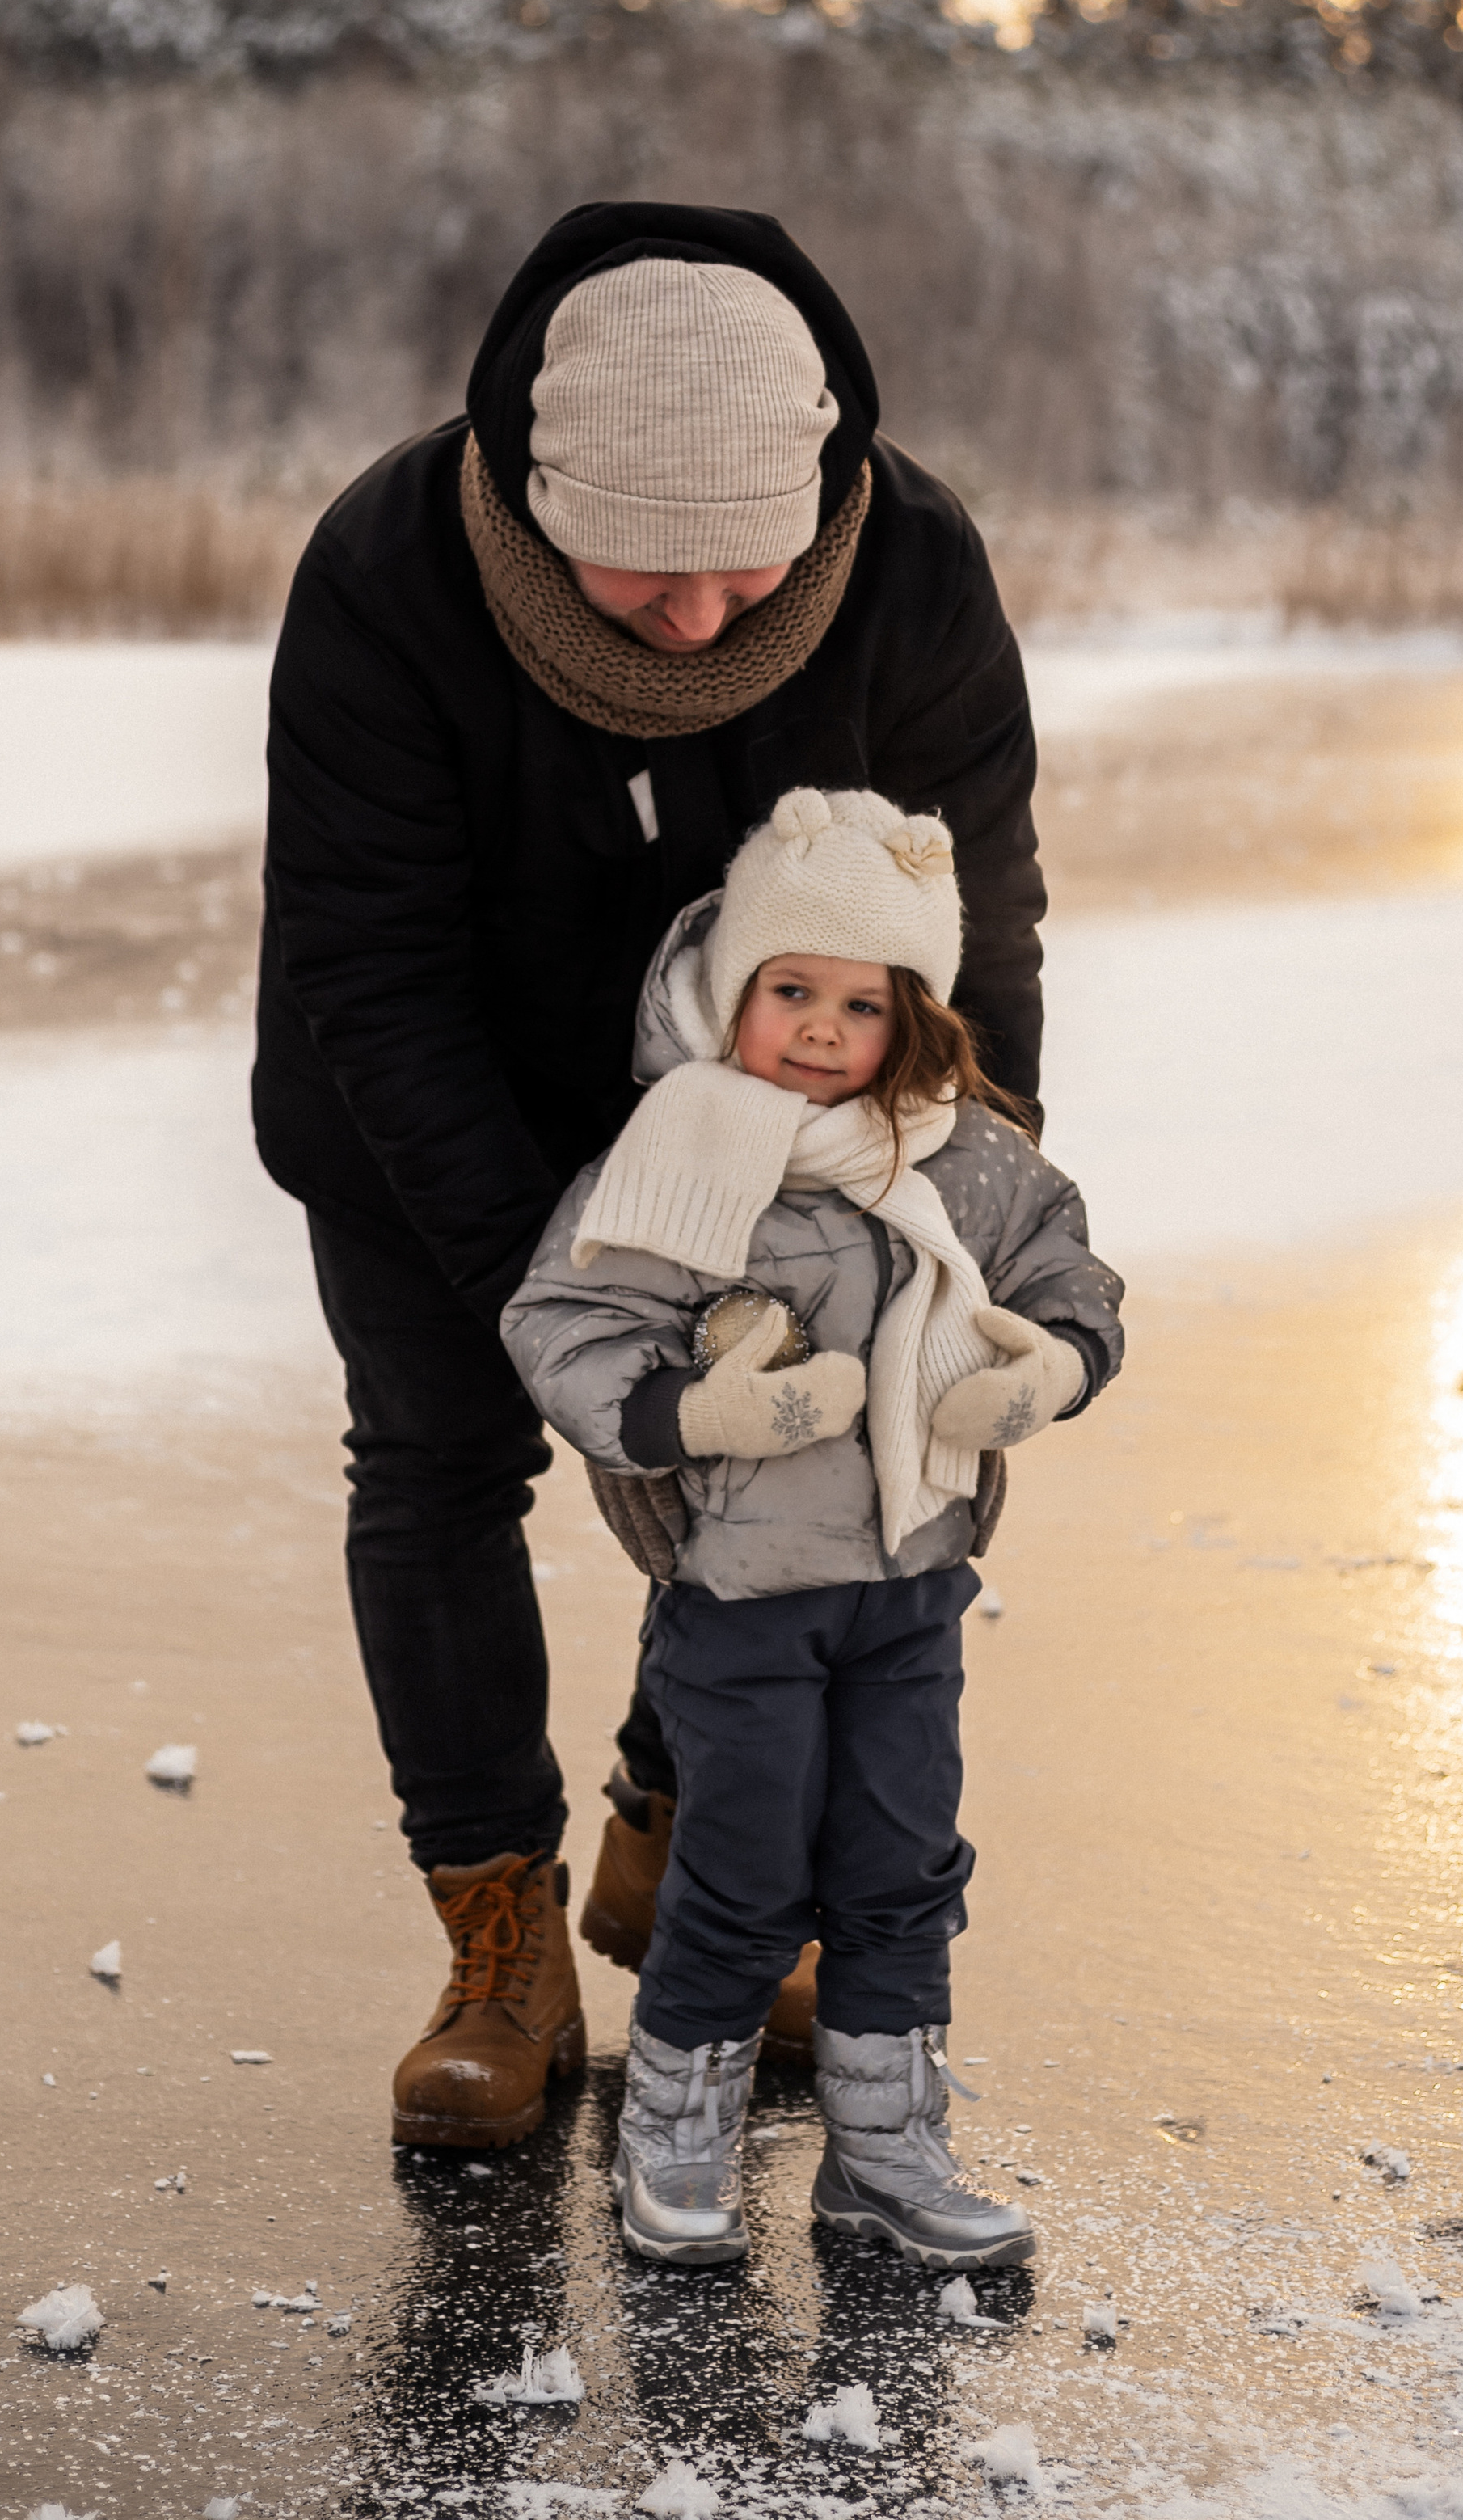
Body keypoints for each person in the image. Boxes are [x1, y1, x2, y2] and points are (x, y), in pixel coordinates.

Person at [255, 202, 1048, 2149]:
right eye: (641, 572)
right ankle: (497, 1936)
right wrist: (568, 1317)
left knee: (812, 1475)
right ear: (532, 499)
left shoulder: (910, 564)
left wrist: (976, 1193)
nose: (698, 621)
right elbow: (371, 965)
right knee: (444, 1469)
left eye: (741, 570)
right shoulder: (388, 566)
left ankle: (668, 1836)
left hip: (783, 1115)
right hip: (425, 1104)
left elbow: (972, 909)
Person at [501, 787, 1125, 2268]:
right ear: (736, 993)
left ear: (913, 1015)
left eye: (865, 1001)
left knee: (903, 1861)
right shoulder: (682, 1151)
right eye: (794, 991)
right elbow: (565, 1323)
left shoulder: (967, 1159)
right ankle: (675, 2133)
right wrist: (690, 1418)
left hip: (911, 1590)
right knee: (745, 1863)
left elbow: (1071, 1281)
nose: (827, 1028)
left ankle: (884, 2152)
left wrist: (1046, 1368)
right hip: (742, 1596)